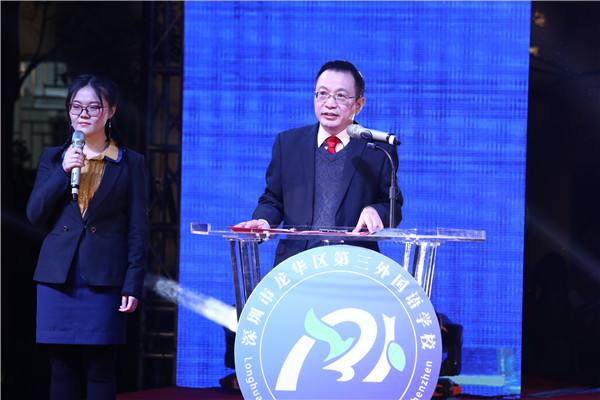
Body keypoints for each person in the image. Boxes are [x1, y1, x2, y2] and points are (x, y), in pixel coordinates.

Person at [26, 74, 149, 400]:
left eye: (93, 107)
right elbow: (35, 214)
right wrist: (63, 171)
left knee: (100, 368)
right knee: (61, 367)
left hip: (105, 280)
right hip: (57, 278)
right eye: (76, 106)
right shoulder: (54, 158)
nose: (83, 114)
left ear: (110, 111)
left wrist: (133, 283)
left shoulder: (130, 163)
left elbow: (138, 229)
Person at [236, 60, 403, 267]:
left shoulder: (377, 149)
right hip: (296, 266)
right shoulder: (288, 144)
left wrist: (376, 211)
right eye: (322, 94)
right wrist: (263, 221)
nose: (330, 104)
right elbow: (273, 199)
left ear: (359, 105)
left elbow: (392, 205)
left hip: (353, 267)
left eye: (340, 96)